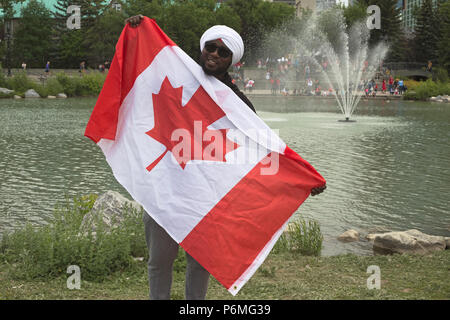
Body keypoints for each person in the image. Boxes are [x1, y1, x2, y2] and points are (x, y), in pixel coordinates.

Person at [125, 15, 326, 300]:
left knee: (200, 264)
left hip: (205, 196)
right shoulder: (175, 76)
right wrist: (137, 32)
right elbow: (140, 70)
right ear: (202, 47)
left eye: (223, 52)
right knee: (159, 261)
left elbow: (263, 146)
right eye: (211, 47)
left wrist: (303, 179)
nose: (215, 55)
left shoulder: (238, 103)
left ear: (233, 60)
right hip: (164, 188)